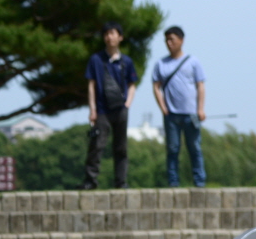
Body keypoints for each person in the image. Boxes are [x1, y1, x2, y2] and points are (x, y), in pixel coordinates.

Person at [81, 22, 138, 190]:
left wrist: (127, 104)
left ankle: (121, 182)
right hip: (101, 110)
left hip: (121, 110)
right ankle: (90, 181)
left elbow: (132, 84)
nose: (109, 37)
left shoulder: (126, 61)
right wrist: (92, 110)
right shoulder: (96, 60)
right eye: (106, 34)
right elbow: (91, 84)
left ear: (120, 37)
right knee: (96, 146)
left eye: (113, 33)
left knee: (121, 148)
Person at [151, 25, 206, 187]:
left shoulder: (193, 62)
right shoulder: (160, 64)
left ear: (181, 40)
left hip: (191, 114)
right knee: (173, 150)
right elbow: (156, 86)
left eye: (172, 39)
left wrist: (200, 109)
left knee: (195, 149)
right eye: (166, 40)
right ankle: (173, 183)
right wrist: (163, 108)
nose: (169, 43)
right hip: (171, 115)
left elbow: (200, 86)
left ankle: (199, 181)